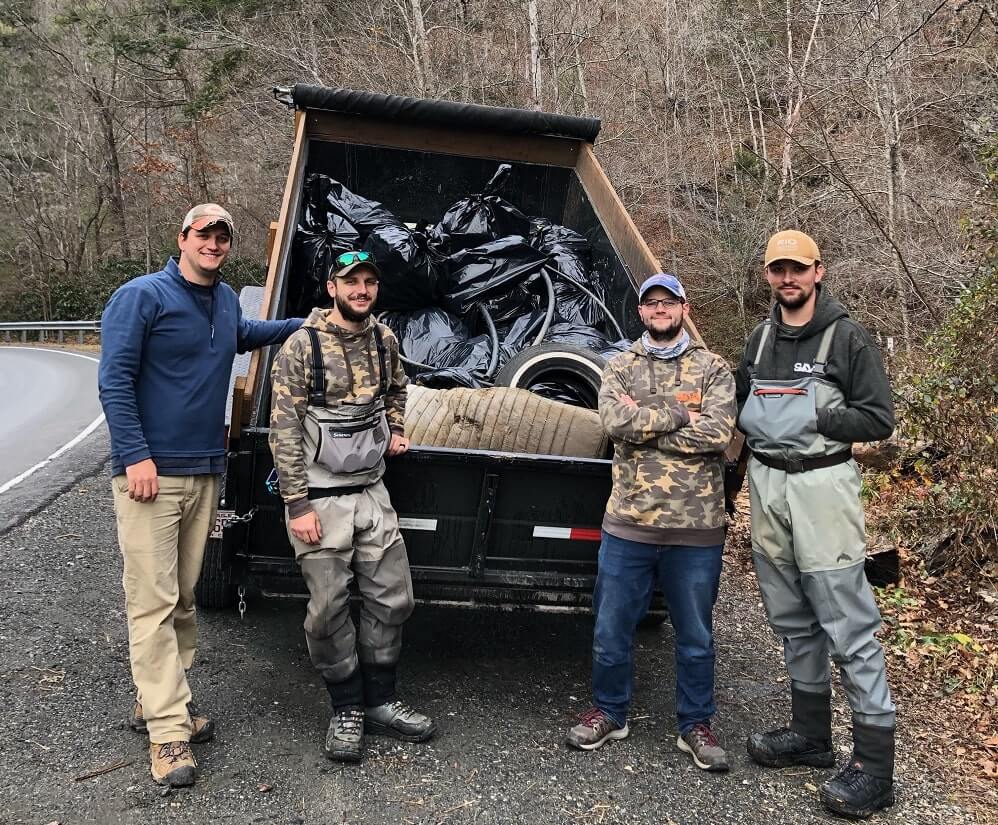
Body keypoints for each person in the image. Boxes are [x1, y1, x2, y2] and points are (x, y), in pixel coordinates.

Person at [98, 203, 304, 787]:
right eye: (203, 234)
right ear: (183, 237)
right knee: (152, 602)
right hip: (150, 476)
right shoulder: (143, 297)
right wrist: (135, 455)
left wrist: (306, 323)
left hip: (205, 472)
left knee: (184, 598)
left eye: (221, 237)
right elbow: (113, 379)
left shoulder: (223, 302)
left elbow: (251, 334)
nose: (213, 244)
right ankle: (167, 735)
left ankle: (160, 699)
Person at [736, 230, 896, 819]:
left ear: (818, 272)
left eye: (797, 269)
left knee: (847, 624)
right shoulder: (757, 339)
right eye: (778, 270)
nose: (787, 279)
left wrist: (822, 414)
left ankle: (876, 768)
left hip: (822, 487)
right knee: (791, 617)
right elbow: (739, 408)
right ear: (768, 276)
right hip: (767, 484)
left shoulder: (846, 337)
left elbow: (878, 418)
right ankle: (811, 736)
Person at [268, 250, 435, 764]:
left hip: (372, 493)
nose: (361, 290)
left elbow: (398, 388)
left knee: (394, 600)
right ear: (331, 287)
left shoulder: (385, 341)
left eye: (369, 282)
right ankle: (346, 708)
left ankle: (381, 701)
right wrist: (298, 505)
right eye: (351, 282)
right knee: (327, 611)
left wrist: (398, 427)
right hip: (319, 498)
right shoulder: (302, 347)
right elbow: (285, 429)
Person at [565, 273, 737, 772]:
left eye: (669, 302)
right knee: (611, 628)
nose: (660, 309)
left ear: (684, 308)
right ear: (641, 312)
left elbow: (719, 435)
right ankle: (610, 712)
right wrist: (683, 416)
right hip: (629, 524)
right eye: (651, 303)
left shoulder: (713, 368)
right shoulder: (619, 367)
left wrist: (652, 421)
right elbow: (615, 424)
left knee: (697, 634)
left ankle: (695, 725)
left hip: (697, 527)